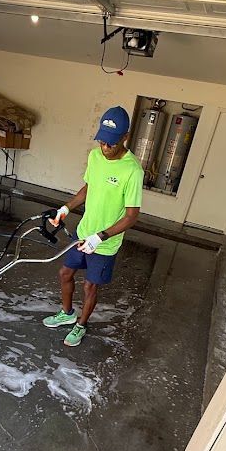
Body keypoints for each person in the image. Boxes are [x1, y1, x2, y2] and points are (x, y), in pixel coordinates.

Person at [43, 105, 143, 347]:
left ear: (125, 137)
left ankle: (80, 325)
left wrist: (101, 237)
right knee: (65, 273)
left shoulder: (133, 170)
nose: (105, 148)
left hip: (105, 243)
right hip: (83, 233)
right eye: (102, 142)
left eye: (111, 143)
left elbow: (132, 216)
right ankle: (66, 314)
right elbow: (89, 187)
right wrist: (65, 209)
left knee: (90, 285)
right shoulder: (95, 156)